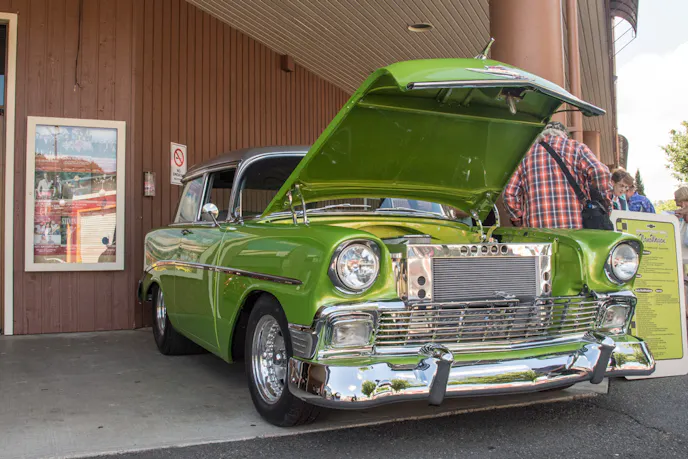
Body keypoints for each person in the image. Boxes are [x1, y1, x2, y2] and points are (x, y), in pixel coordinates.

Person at [503, 121, 613, 229]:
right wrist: (605, 204)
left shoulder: (525, 154)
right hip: (575, 229)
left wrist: (518, 218)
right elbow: (600, 172)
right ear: (564, 134)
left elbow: (509, 193)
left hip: (537, 231)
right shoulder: (577, 148)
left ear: (541, 135)